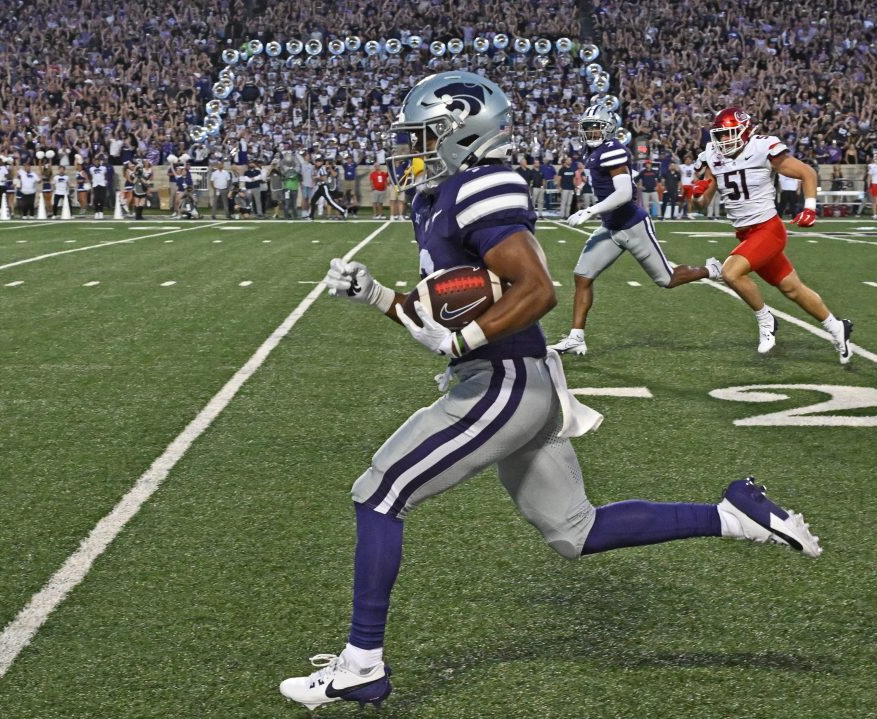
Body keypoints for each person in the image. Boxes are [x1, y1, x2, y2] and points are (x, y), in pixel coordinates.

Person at [279, 72, 821, 712]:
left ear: (463, 133)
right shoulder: (441, 195)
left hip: (501, 382)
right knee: (575, 530)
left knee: (379, 494)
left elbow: (537, 290)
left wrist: (461, 343)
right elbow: (442, 315)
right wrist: (376, 297)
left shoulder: (481, 185)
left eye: (425, 135)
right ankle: (735, 515)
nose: (412, 150)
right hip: (517, 379)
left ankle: (362, 664)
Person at [548, 104, 721, 356]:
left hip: (632, 225)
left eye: (596, 128)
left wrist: (589, 210)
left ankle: (711, 269)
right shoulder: (592, 151)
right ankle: (576, 337)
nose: (591, 133)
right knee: (582, 276)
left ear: (608, 129)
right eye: (587, 128)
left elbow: (624, 193)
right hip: (610, 227)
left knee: (667, 280)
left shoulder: (612, 151)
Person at [691, 106, 853, 363]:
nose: (723, 140)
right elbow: (702, 202)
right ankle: (837, 327)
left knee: (730, 273)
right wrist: (696, 193)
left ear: (744, 131)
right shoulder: (713, 155)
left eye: (729, 133)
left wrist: (810, 208)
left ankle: (766, 320)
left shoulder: (762, 148)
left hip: (768, 229)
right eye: (720, 135)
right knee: (792, 289)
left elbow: (806, 173)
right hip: (745, 233)